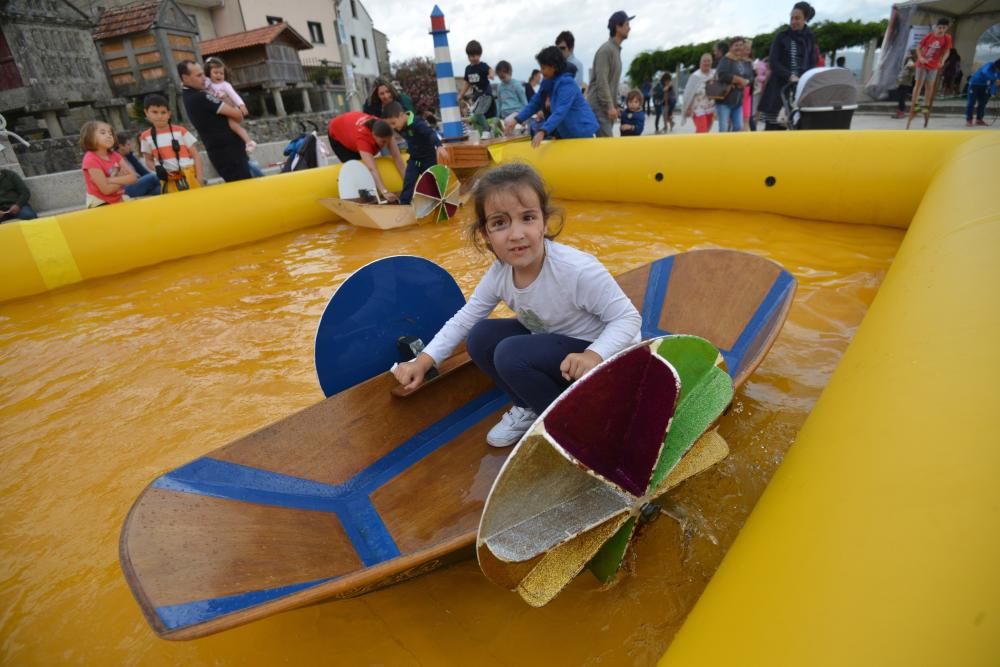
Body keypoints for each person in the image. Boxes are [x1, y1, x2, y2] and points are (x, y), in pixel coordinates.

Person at [391, 162, 641, 447]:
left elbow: (628, 320)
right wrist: (423, 361)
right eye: (500, 222)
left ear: (544, 222)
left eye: (528, 218)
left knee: (511, 353)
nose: (516, 234)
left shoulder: (576, 270)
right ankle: (531, 406)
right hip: (561, 353)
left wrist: (594, 355)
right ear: (485, 234)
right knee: (481, 336)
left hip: (608, 357)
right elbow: (465, 319)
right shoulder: (500, 274)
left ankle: (571, 428)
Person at [505, 46, 599, 147]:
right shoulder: (547, 82)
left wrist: (543, 131)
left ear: (553, 67)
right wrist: (516, 120)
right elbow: (534, 103)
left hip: (584, 132)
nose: (541, 71)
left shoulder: (567, 83)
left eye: (544, 68)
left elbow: (560, 111)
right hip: (567, 135)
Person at [178, 60, 252, 182]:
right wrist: (229, 101)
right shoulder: (201, 97)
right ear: (185, 77)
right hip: (229, 154)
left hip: (222, 152)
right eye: (199, 75)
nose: (204, 78)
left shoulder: (188, 96)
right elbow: (238, 116)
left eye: (203, 74)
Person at [758, 2, 818, 131]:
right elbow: (773, 62)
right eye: (792, 18)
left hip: (800, 90)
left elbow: (813, 63)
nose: (793, 21)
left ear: (805, 19)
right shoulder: (781, 36)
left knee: (799, 128)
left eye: (797, 18)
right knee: (773, 129)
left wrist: (805, 79)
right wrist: (789, 75)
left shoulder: (810, 38)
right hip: (778, 89)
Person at [327, 111, 405, 202]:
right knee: (357, 167)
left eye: (388, 141)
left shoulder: (385, 130)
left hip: (351, 124)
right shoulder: (363, 138)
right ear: (374, 136)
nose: (386, 144)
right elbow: (372, 168)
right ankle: (362, 199)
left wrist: (408, 182)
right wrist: (384, 191)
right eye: (383, 142)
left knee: (366, 159)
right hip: (337, 133)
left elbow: (397, 157)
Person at [139, 93, 205, 193]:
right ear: (146, 112)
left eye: (163, 112)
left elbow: (196, 155)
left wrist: (200, 177)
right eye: (154, 112)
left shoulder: (181, 131)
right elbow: (148, 160)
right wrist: (159, 170)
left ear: (169, 114)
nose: (159, 116)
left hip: (189, 174)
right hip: (168, 179)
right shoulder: (145, 136)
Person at [381, 101, 442, 205]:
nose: (393, 127)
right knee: (408, 181)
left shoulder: (417, 123)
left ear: (401, 115)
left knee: (432, 181)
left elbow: (430, 133)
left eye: (393, 123)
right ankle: (404, 203)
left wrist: (439, 146)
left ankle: (439, 200)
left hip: (428, 159)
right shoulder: (400, 125)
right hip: (415, 159)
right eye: (390, 125)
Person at [587, 10, 633, 137]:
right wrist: (609, 107)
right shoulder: (606, 50)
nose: (630, 28)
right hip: (599, 108)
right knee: (607, 147)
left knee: (605, 148)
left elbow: (611, 83)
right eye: (627, 24)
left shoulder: (615, 50)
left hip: (605, 108)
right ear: (618, 27)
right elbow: (601, 81)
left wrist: (615, 105)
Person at [203, 57, 256, 153]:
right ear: (209, 73)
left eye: (221, 73)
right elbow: (202, 80)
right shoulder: (208, 82)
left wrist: (241, 105)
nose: (219, 75)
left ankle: (249, 141)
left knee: (234, 126)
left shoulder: (225, 85)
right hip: (220, 110)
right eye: (216, 72)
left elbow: (234, 95)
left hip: (231, 108)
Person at [79, 120, 137, 207]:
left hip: (117, 198)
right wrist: (122, 178)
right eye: (103, 133)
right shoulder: (90, 159)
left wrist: (109, 180)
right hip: (100, 202)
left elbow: (133, 178)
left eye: (110, 134)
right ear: (89, 137)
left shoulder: (115, 155)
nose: (109, 136)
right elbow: (106, 190)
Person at [909, 18, 952, 120]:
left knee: (930, 86)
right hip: (922, 64)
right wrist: (920, 58)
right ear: (936, 27)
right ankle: (914, 105)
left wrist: (943, 61)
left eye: (944, 28)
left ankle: (926, 106)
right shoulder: (929, 36)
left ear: (947, 28)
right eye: (939, 27)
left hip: (934, 65)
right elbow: (918, 48)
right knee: (919, 84)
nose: (941, 30)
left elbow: (947, 51)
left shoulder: (947, 38)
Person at [715, 37, 753, 132]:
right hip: (725, 101)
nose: (738, 47)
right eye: (736, 45)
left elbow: (751, 77)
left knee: (738, 127)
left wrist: (746, 82)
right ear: (731, 47)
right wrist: (738, 80)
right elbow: (722, 75)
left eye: (741, 45)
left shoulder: (746, 62)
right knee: (723, 129)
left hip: (738, 101)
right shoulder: (726, 59)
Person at [114, 131, 161, 198]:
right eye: (128, 144)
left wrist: (146, 181)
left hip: (139, 183)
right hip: (128, 188)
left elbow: (143, 172)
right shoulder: (115, 160)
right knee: (153, 176)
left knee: (159, 189)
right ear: (121, 146)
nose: (130, 147)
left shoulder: (129, 156)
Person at [458, 40, 496, 118]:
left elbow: (490, 70)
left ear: (479, 55)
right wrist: (461, 95)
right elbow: (467, 83)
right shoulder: (468, 69)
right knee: (479, 115)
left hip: (486, 94)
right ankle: (484, 127)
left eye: (474, 56)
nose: (472, 58)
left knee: (484, 114)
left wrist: (491, 75)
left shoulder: (482, 66)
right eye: (470, 56)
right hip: (476, 95)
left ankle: (491, 123)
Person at [683, 53, 717, 133]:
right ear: (700, 63)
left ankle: (699, 144)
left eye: (709, 61)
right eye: (704, 61)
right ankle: (700, 145)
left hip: (710, 107)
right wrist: (687, 108)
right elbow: (688, 93)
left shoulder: (714, 74)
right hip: (698, 108)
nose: (706, 63)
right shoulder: (695, 76)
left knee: (706, 129)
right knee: (702, 129)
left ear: (712, 62)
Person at [965, 58, 1000, 126]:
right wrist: (995, 79)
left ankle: (979, 119)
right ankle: (969, 120)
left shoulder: (998, 72)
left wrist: (993, 92)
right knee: (971, 103)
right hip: (975, 84)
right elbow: (985, 72)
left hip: (986, 86)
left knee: (982, 103)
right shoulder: (989, 65)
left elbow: (996, 83)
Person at [893, 52, 916, 119]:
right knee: (900, 99)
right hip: (901, 83)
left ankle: (901, 113)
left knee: (902, 99)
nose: (907, 56)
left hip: (906, 83)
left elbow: (912, 66)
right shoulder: (905, 63)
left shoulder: (910, 63)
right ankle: (899, 112)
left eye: (909, 55)